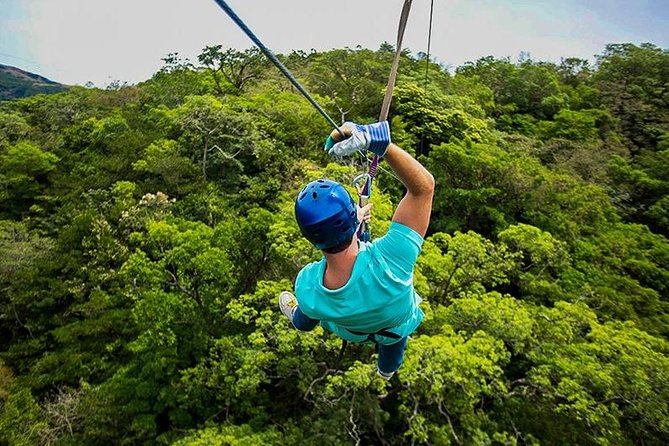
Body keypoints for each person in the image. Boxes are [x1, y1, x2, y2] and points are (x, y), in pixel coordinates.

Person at [279, 121, 434, 380]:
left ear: (309, 237)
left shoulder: (308, 283)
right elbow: (423, 188)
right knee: (394, 343)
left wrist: (352, 224)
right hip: (395, 325)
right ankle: (386, 371)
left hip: (351, 330)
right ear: (353, 219)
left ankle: (296, 316)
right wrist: (378, 143)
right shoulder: (392, 261)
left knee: (305, 315)